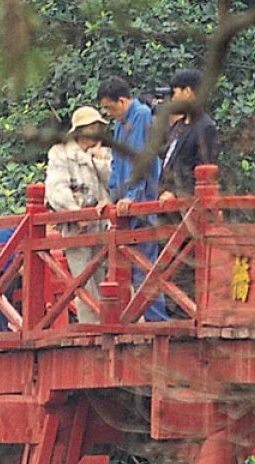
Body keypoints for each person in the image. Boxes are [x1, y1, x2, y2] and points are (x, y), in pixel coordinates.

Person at [96, 76, 171, 321]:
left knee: (144, 265)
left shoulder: (141, 116)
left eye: (110, 107)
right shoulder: (121, 124)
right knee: (130, 265)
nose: (109, 113)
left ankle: (156, 319)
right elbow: (117, 164)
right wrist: (112, 197)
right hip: (128, 201)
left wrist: (131, 196)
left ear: (122, 101)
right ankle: (142, 319)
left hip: (143, 199)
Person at [46, 106, 114, 323]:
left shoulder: (103, 152)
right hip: (76, 226)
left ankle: (113, 323)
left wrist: (100, 161)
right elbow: (56, 189)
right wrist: (75, 213)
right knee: (83, 280)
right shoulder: (61, 153)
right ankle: (90, 327)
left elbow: (113, 183)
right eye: (91, 127)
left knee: (109, 276)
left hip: (102, 224)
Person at [157, 69, 220, 200]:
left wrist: (176, 193)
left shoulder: (205, 127)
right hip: (165, 203)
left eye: (174, 93)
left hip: (187, 204)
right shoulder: (178, 126)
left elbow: (203, 171)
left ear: (187, 92)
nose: (172, 99)